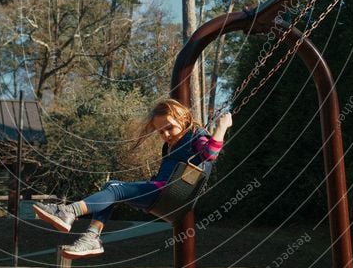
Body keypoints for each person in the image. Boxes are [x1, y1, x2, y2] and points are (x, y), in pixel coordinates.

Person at [33, 98, 232, 258]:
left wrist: (221, 127)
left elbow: (209, 155)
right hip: (161, 191)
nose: (165, 134)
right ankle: (91, 237)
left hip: (170, 193)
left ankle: (69, 211)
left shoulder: (196, 136)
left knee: (115, 190)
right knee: (111, 185)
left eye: (169, 127)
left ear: (184, 119)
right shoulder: (171, 144)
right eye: (160, 131)